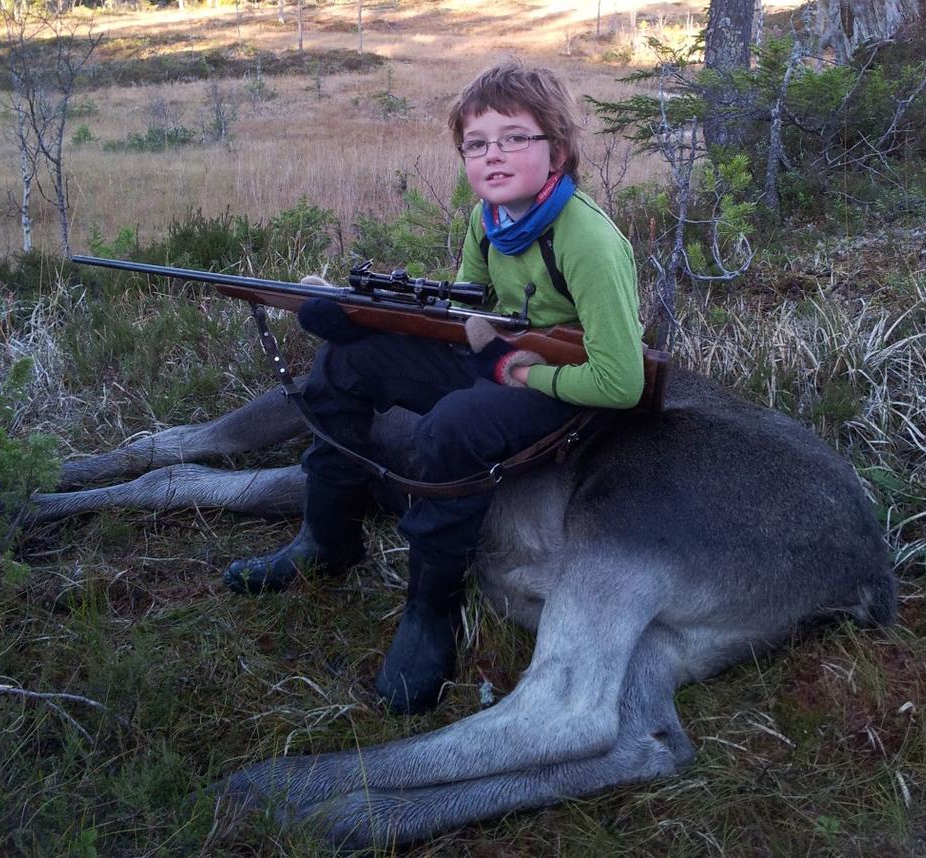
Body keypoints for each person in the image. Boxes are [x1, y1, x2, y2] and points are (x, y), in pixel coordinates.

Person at [223, 59, 645, 715]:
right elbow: (461, 318)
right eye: (475, 144)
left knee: (452, 427)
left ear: (558, 150)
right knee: (344, 364)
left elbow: (622, 381)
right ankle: (326, 540)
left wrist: (526, 372)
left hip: (568, 390)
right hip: (499, 357)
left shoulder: (587, 240)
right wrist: (355, 320)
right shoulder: (490, 220)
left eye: (513, 138)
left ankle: (431, 610)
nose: (492, 155)